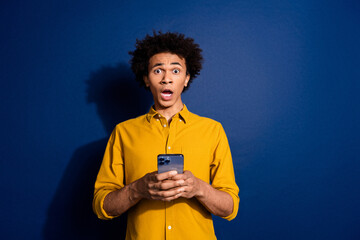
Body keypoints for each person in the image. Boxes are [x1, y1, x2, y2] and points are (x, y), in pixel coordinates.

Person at [93, 31, 239, 240]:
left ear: (187, 78)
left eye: (176, 71)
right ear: (146, 79)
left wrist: (199, 188)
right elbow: (102, 205)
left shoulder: (212, 130)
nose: (167, 79)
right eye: (158, 70)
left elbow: (230, 207)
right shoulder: (123, 132)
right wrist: (137, 189)